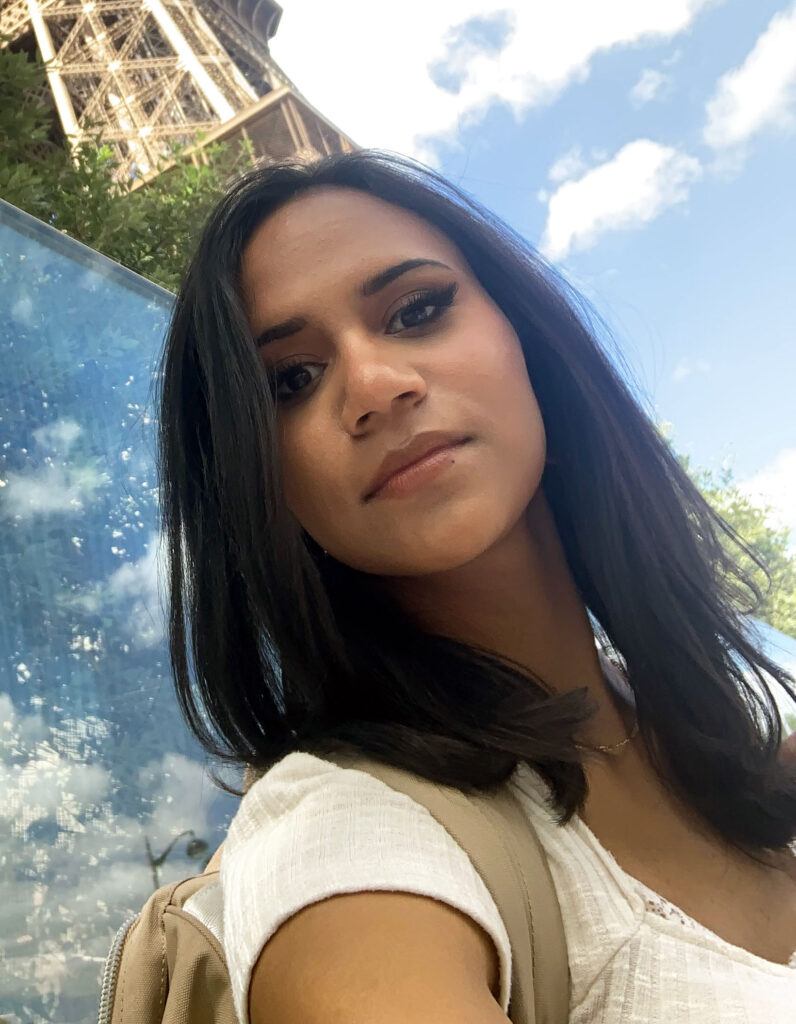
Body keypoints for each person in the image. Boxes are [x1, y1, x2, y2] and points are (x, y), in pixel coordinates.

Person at [156, 150, 796, 1024]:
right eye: (291, 381)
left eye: (416, 310)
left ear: (525, 341)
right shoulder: (346, 838)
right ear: (257, 484)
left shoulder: (711, 733)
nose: (376, 387)